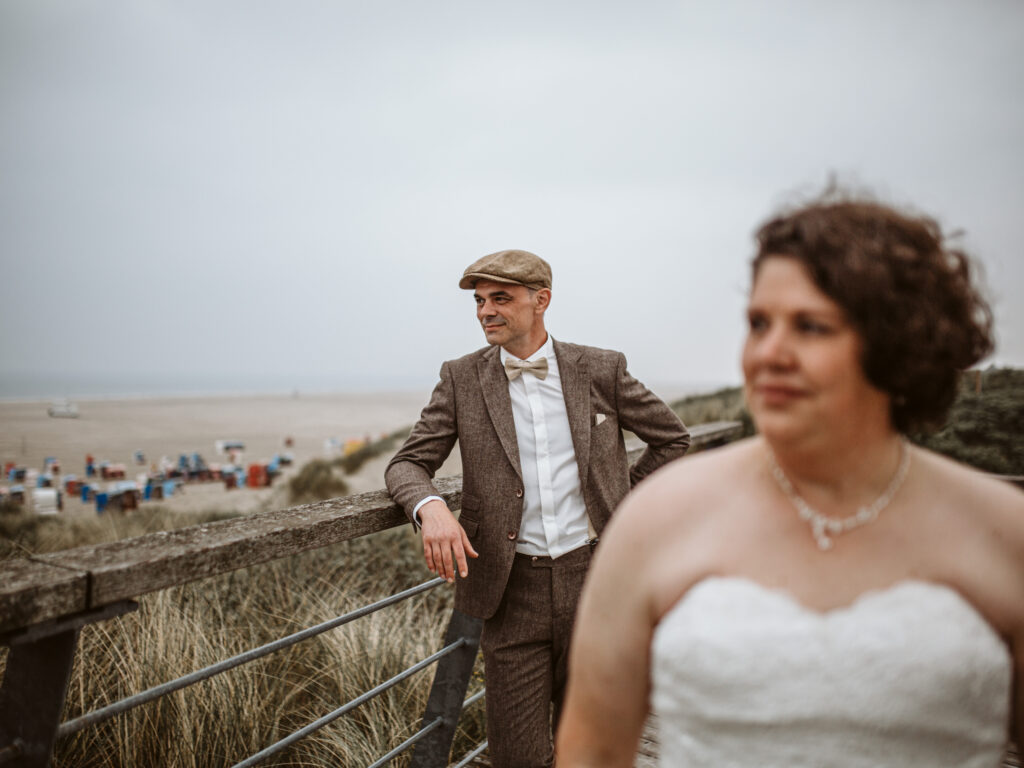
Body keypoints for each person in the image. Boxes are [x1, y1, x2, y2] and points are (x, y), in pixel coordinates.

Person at [556, 196, 1024, 767]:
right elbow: (593, 751)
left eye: (810, 326)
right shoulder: (657, 518)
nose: (769, 353)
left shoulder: (1003, 531)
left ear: (898, 346)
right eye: (759, 323)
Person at [385, 249, 690, 767]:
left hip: (597, 582)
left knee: (594, 749)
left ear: (541, 300)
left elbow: (672, 439)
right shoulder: (461, 378)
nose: (485, 311)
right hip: (510, 592)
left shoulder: (600, 368)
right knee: (518, 757)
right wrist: (431, 508)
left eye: (499, 298)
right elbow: (407, 464)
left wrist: (621, 507)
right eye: (480, 301)